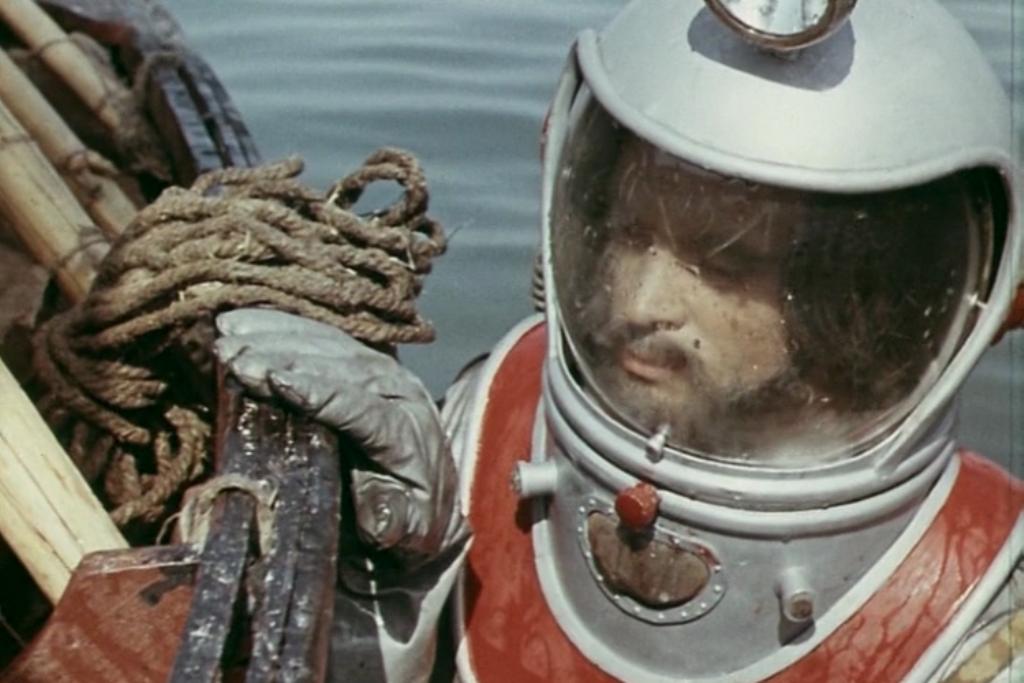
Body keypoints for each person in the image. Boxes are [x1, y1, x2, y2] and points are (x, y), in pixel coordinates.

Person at [215, 0, 1024, 680]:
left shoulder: (977, 600)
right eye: (630, 236)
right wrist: (391, 563)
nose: (640, 302)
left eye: (723, 264)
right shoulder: (498, 411)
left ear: (853, 303)